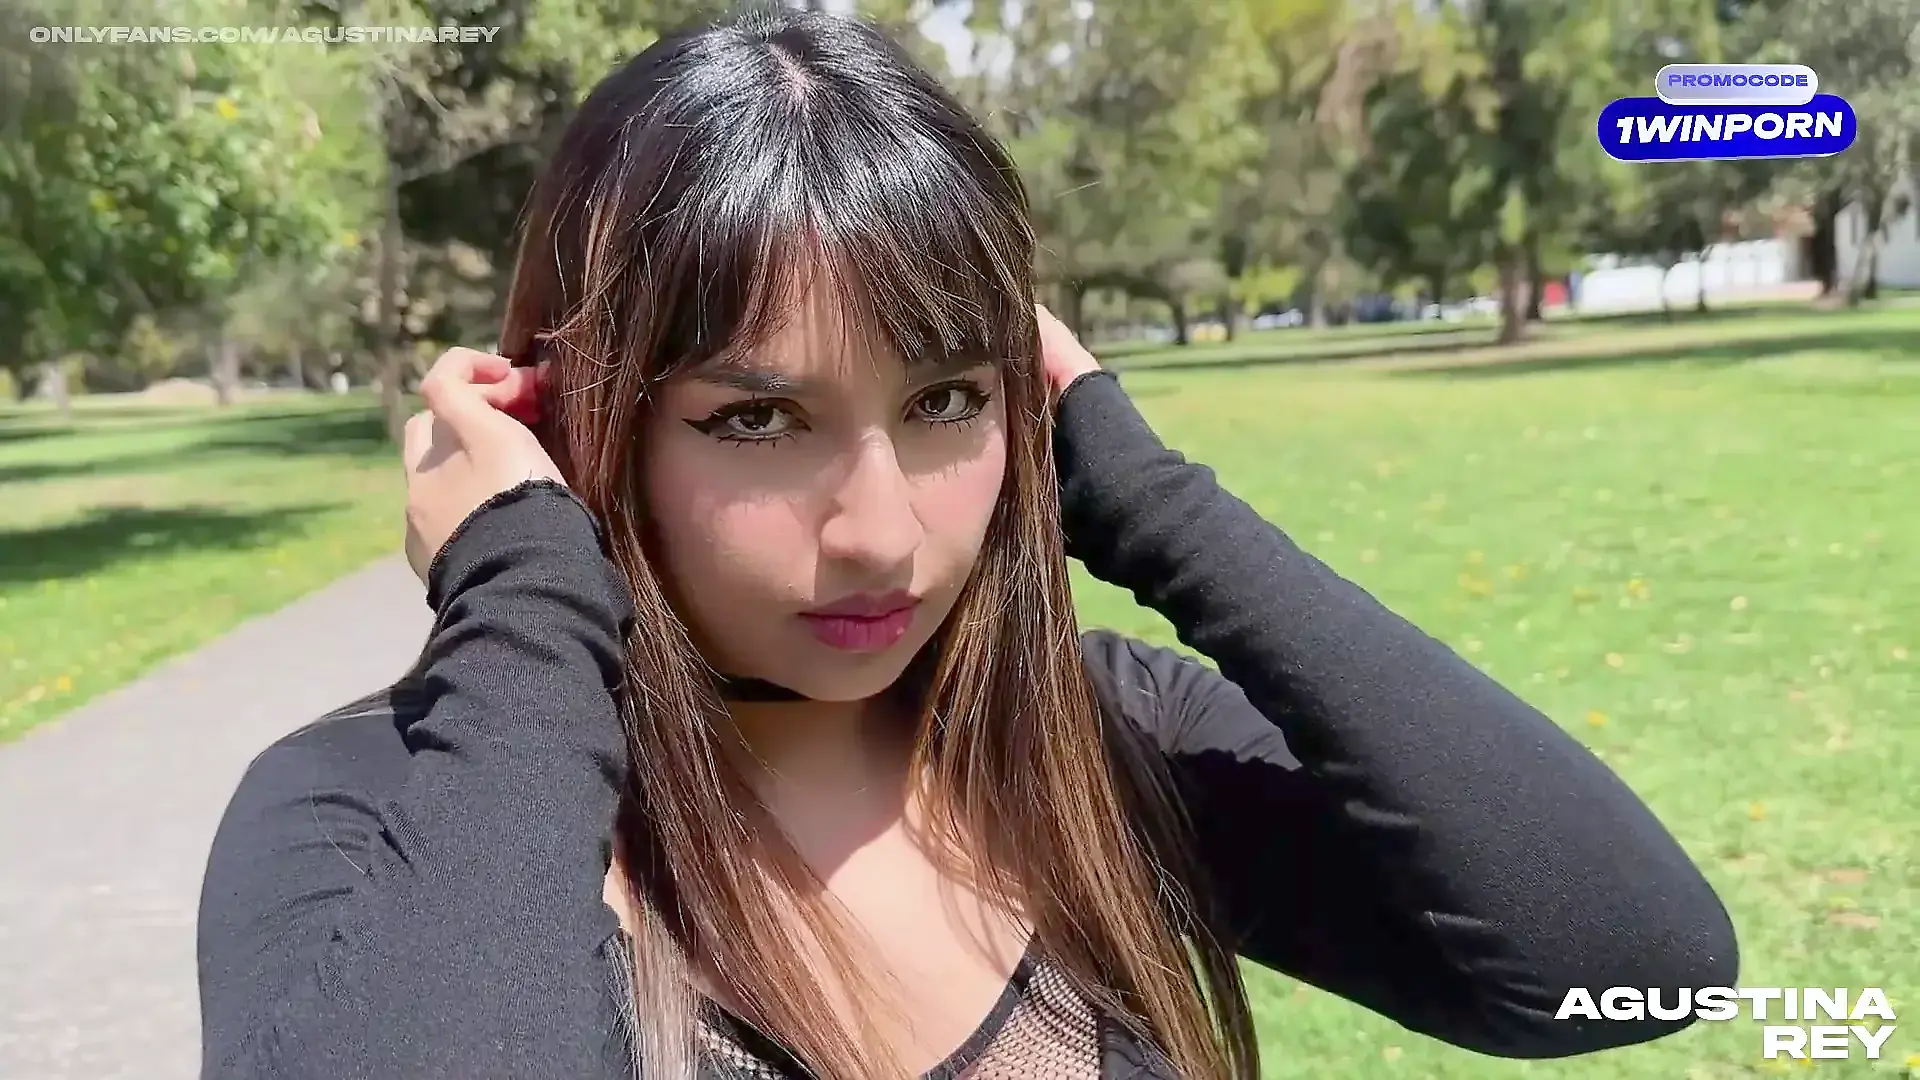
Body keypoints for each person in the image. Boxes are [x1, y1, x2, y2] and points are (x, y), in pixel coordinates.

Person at [195, 8, 1738, 1080]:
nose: (882, 536)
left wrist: (1150, 501)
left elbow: (1630, 969)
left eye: (945, 402)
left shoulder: (1088, 743)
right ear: (575, 418)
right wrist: (529, 598)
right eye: (755, 419)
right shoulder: (387, 813)